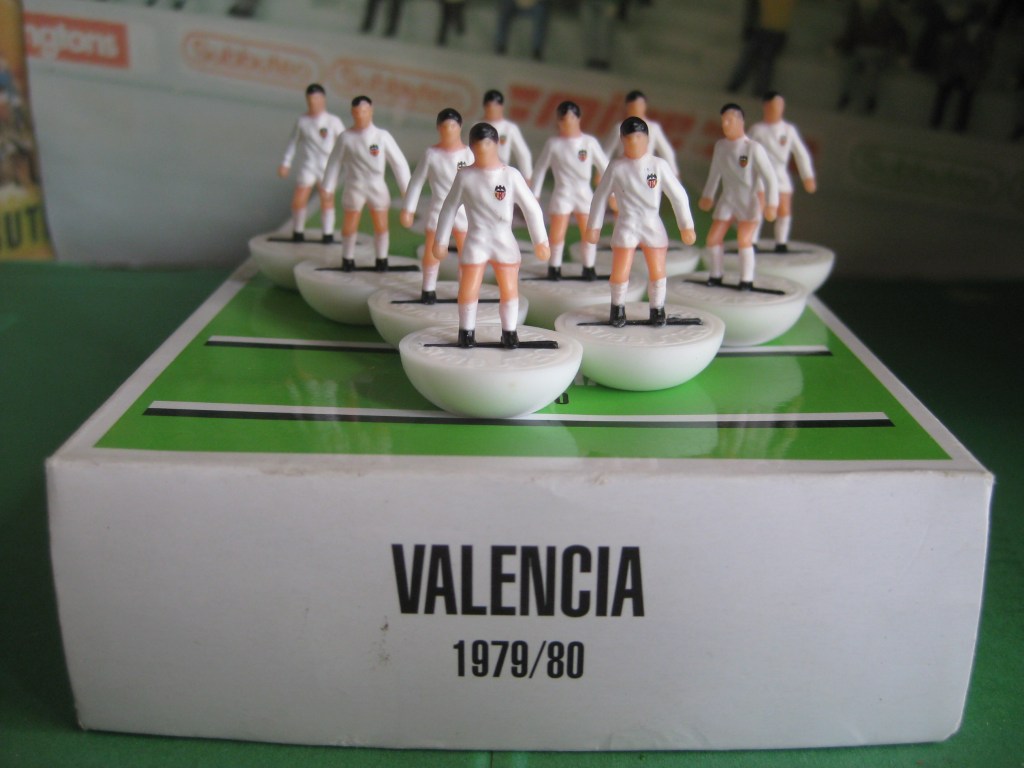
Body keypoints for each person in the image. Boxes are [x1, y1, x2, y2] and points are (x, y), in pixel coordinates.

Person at [433, 122, 549, 349]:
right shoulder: (465, 176)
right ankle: (466, 332)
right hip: (476, 239)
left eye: (487, 145)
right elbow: (449, 208)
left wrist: (540, 241)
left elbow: (531, 209)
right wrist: (441, 240)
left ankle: (509, 332)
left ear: (496, 145)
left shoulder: (511, 175)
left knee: (509, 288)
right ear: (472, 148)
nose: (483, 151)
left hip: (503, 240)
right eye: (478, 147)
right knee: (469, 287)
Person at [585, 117, 696, 327]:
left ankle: (657, 308)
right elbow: (600, 196)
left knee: (657, 270)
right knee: (620, 270)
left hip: (652, 223)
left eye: (638, 138)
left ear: (646, 139)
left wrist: (686, 226)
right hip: (626, 223)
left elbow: (678, 196)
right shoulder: (616, 167)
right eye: (629, 139)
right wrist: (594, 226)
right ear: (622, 140)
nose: (634, 143)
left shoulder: (658, 165)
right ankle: (617, 308)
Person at [322, 95, 410, 271]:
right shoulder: (345, 137)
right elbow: (334, 162)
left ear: (371, 111)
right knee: (349, 226)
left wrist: (406, 189)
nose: (360, 116)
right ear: (352, 113)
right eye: (357, 112)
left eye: (364, 111)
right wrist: (328, 187)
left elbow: (399, 163)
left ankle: (381, 259)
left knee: (381, 225)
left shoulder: (382, 136)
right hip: (354, 186)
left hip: (376, 186)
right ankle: (347, 259)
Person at [699, 103, 778, 290]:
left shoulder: (753, 148)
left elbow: (770, 177)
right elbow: (715, 173)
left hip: (748, 201)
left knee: (744, 241)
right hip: (728, 199)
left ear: (740, 121)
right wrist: (708, 195)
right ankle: (716, 274)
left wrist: (771, 204)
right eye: (723, 121)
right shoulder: (721, 146)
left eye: (729, 120)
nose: (725, 124)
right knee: (712, 239)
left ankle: (746, 279)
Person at [400, 108, 474, 303]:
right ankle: (428, 288)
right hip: (439, 209)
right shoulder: (431, 154)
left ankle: (465, 289)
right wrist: (408, 209)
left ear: (460, 127)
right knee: (432, 250)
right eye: (445, 127)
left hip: (462, 210)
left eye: (453, 126)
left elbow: (479, 182)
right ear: (438, 128)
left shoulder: (468, 154)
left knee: (466, 251)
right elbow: (416, 182)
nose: (449, 130)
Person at [530, 100, 609, 279]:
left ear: (578, 119)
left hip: (583, 193)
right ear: (559, 122)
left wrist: (609, 190)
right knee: (557, 234)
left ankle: (589, 267)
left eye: (572, 118)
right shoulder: (553, 144)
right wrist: (534, 194)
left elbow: (605, 167)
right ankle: (554, 267)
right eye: (563, 120)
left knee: (588, 232)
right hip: (563, 192)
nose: (568, 123)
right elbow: (540, 168)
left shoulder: (589, 143)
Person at [277, 84, 345, 243]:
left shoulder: (333, 121)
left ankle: (327, 234)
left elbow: (345, 142)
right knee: (298, 200)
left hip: (326, 166)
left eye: (316, 99)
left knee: (326, 199)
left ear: (323, 100)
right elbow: (293, 143)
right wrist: (286, 162)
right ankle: (298, 231)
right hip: (308, 165)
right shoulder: (302, 121)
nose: (313, 103)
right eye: (310, 100)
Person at [748, 92, 815, 252]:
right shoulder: (757, 130)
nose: (778, 108)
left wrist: (808, 176)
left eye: (780, 105)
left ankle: (781, 242)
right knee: (758, 208)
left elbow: (801, 153)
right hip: (762, 175)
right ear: (766, 106)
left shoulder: (789, 130)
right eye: (774, 105)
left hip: (780, 175)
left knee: (784, 209)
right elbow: (745, 151)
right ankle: (752, 242)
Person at [725, 0, 795, 96]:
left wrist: (748, 26)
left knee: (749, 60)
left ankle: (735, 87)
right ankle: (759, 90)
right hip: (779, 29)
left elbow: (753, 7)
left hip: (764, 28)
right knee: (766, 62)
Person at [602, 90, 678, 177]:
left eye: (640, 105)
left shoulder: (653, 128)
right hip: (624, 171)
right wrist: (601, 172)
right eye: (633, 107)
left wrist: (674, 172)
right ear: (628, 107)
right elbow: (606, 152)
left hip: (647, 171)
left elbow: (666, 151)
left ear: (644, 106)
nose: (637, 109)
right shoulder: (619, 128)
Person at [482, 89, 533, 179]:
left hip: (501, 172)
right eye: (489, 106)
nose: (492, 109)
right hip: (480, 172)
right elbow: (467, 150)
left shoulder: (509, 128)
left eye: (495, 105)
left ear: (501, 107)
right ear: (485, 107)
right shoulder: (477, 126)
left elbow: (523, 154)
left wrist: (527, 176)